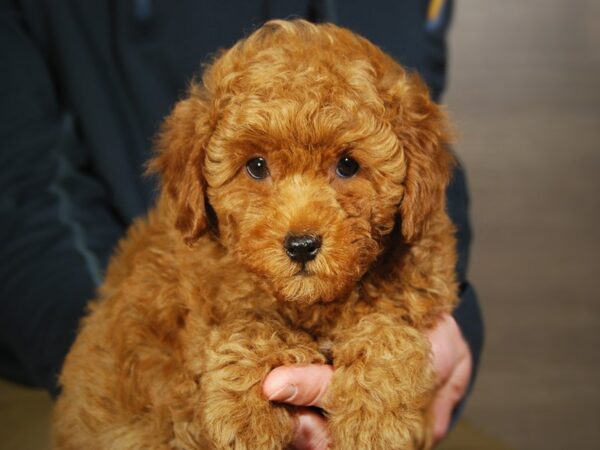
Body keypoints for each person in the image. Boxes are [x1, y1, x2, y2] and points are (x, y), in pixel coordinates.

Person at [0, 1, 483, 448]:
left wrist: (450, 332)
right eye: (256, 168)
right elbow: (21, 182)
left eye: (347, 167)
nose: (301, 226)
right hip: (62, 336)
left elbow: (421, 138)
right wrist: (111, 357)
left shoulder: (409, 150)